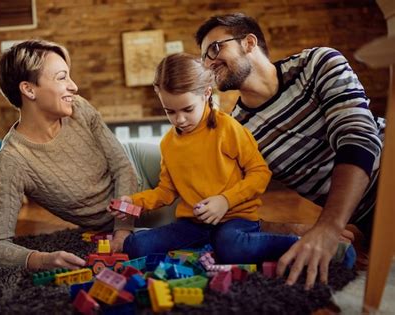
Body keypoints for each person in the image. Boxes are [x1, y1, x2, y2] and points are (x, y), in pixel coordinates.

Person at [109, 53, 355, 267]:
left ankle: (309, 246)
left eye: (187, 109)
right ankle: (207, 247)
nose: (179, 120)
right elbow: (166, 191)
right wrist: (133, 201)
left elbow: (260, 173)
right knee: (137, 246)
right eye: (170, 112)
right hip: (193, 223)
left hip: (235, 219)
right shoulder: (168, 144)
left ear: (206, 94)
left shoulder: (228, 128)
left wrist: (225, 202)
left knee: (231, 246)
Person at [195, 13, 384, 289]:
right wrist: (298, 230)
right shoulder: (238, 130)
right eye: (203, 58)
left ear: (249, 42)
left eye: (214, 48)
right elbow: (230, 211)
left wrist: (328, 228)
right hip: (370, 221)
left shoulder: (317, 63)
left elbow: (358, 139)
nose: (208, 62)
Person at [0, 39, 140, 270]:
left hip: (143, 176)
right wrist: (41, 259)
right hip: (126, 217)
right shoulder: (13, 161)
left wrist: (123, 230)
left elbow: (123, 167)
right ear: (29, 89)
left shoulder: (78, 108)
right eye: (62, 77)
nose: (74, 86)